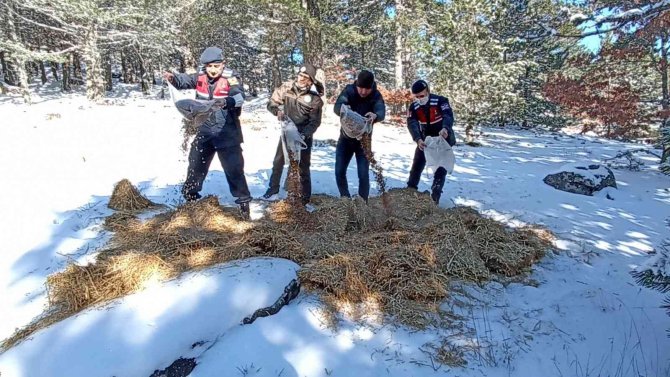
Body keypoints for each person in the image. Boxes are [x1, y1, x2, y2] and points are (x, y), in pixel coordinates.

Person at [162, 46, 252, 217]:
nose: (212, 70)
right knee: (195, 165)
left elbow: (240, 97)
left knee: (234, 170)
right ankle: (191, 199)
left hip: (227, 134)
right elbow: (183, 81)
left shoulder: (231, 79)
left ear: (222, 65)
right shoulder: (200, 77)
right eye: (209, 66)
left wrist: (227, 102)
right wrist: (172, 78)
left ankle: (244, 205)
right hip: (204, 132)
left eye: (216, 66)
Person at [262, 64, 324, 206]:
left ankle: (305, 198)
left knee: (303, 166)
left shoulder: (315, 99)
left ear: (311, 81)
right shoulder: (287, 89)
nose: (301, 79)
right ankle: (272, 190)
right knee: (278, 161)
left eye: (306, 77)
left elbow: (315, 122)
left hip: (303, 137)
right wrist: (277, 111)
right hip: (286, 132)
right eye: (300, 75)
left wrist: (303, 135)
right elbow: (271, 103)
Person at [333, 70, 386, 201]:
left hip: (364, 141)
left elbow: (381, 110)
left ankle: (363, 203)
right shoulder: (349, 90)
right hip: (345, 139)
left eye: (366, 89)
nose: (363, 92)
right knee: (339, 171)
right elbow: (337, 107)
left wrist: (376, 116)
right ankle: (345, 199)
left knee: (363, 174)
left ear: (371, 86)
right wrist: (344, 110)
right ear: (356, 84)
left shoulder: (376, 95)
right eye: (360, 88)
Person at [406, 79, 456, 204]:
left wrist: (445, 128)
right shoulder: (414, 106)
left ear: (428, 91)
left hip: (442, 138)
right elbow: (412, 123)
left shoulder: (440, 101)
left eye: (422, 96)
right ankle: (409, 192)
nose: (419, 99)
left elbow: (448, 115)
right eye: (416, 97)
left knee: (440, 169)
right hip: (425, 140)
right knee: (417, 165)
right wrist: (417, 139)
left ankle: (435, 198)